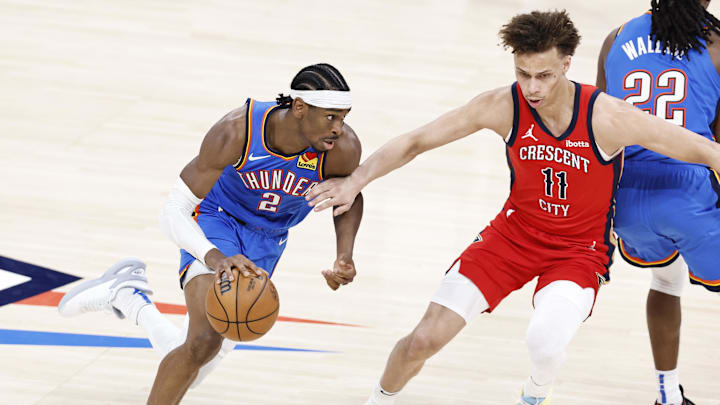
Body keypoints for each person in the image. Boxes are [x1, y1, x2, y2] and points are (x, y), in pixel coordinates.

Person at [306, 10, 720, 405]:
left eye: (544, 76)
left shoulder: (606, 116)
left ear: (566, 65)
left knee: (545, 340)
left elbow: (700, 148)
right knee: (423, 340)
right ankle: (377, 398)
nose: (533, 87)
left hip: (578, 252)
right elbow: (417, 141)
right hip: (512, 237)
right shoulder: (503, 105)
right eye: (523, 74)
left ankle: (536, 391)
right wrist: (355, 180)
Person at [57, 63, 364, 404]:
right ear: (300, 108)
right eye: (330, 117)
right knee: (203, 340)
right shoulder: (237, 132)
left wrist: (344, 254)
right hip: (218, 220)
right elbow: (173, 211)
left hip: (269, 238)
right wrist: (215, 256)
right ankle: (129, 297)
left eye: (343, 117)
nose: (339, 128)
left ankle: (128, 298)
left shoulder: (342, 148)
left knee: (198, 359)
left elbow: (349, 196)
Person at [596, 1, 720, 404]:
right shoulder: (717, 44)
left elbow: (597, 125)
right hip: (689, 192)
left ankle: (667, 396)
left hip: (626, 195)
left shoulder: (615, 38)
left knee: (666, 280)